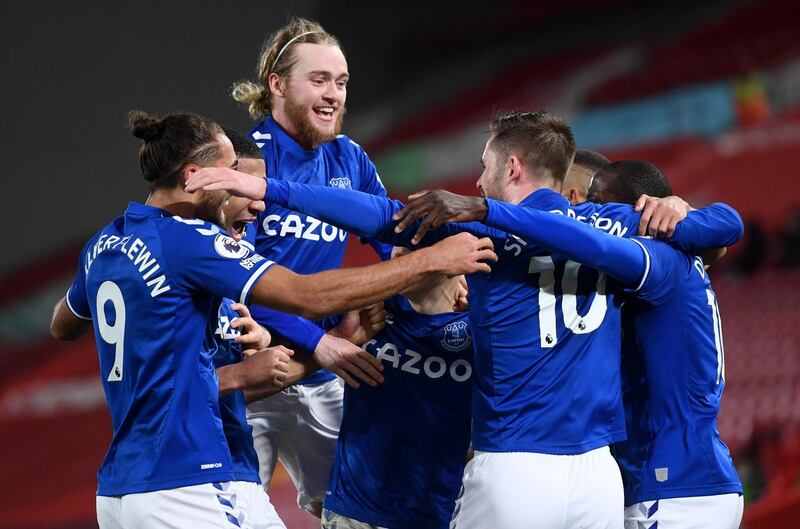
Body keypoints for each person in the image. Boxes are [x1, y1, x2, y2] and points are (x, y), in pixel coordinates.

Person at [190, 111, 741, 529]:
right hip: (598, 475)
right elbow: (725, 224)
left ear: (513, 167)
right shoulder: (614, 225)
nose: (476, 183)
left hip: (517, 465)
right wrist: (681, 210)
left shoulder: (480, 231)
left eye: (483, 167)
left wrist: (270, 188)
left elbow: (379, 216)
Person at [49, 110, 497, 529]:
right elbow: (306, 296)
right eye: (233, 179)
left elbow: (63, 324)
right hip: (190, 477)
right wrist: (431, 260)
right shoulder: (191, 241)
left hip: (119, 490)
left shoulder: (104, 244)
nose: (249, 196)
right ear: (194, 179)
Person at [230, 17, 395, 517]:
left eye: (341, 82)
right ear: (277, 85)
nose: (333, 95)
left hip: (322, 374)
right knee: (236, 516)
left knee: (349, 512)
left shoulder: (350, 159)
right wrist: (322, 341)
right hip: (251, 374)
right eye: (319, 80)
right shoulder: (246, 163)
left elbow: (395, 244)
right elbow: (241, 281)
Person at [580, 161, 746, 528]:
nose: (581, 207)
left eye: (592, 198)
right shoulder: (662, 258)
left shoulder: (657, 260)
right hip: (687, 477)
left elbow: (730, 221)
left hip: (672, 485)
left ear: (640, 207)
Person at [322, 247, 474, 529]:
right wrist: (335, 339)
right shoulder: (367, 307)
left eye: (412, 247)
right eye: (396, 243)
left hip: (440, 514)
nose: (397, 253)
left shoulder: (484, 327)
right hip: (352, 510)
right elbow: (292, 337)